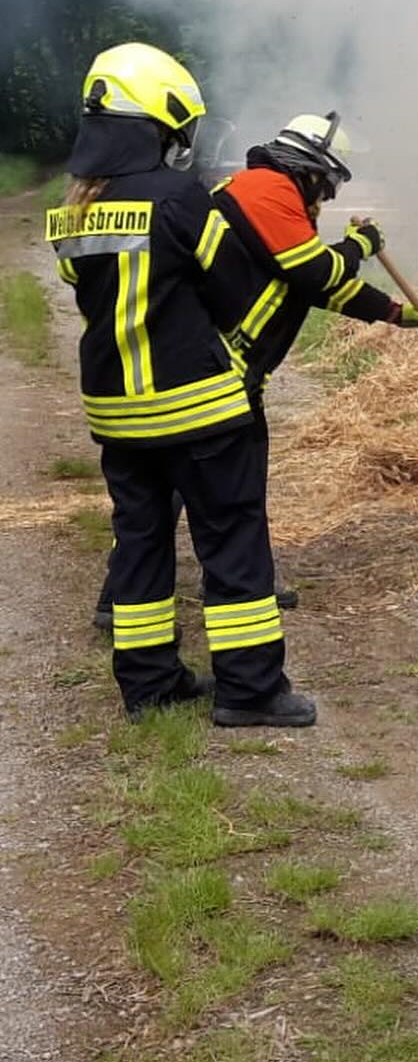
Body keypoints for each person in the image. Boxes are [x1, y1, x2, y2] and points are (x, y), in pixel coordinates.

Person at [47, 43, 314, 726]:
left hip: (116, 416)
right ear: (159, 127)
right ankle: (251, 693)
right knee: (231, 543)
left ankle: (149, 685)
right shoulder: (179, 197)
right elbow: (231, 283)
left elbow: (89, 291)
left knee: (140, 545)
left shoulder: (73, 211)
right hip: (201, 411)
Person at [92, 112, 418, 626]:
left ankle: (125, 596)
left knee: (185, 487)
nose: (327, 198)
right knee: (226, 493)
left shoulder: (269, 196)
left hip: (226, 367)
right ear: (307, 168)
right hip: (219, 368)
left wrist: (394, 313)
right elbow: (318, 271)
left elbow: (315, 286)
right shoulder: (266, 192)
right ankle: (229, 591)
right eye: (326, 183)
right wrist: (361, 247)